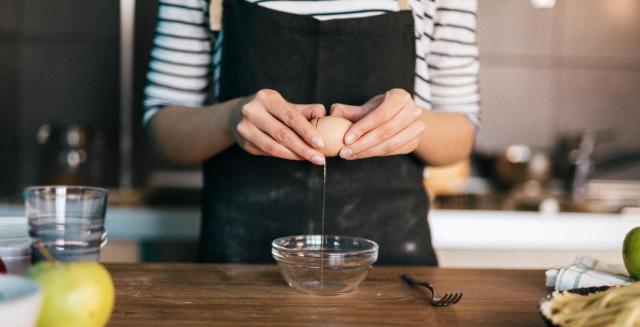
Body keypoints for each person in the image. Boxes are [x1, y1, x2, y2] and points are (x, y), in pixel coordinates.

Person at [144, 0, 480, 265]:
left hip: (390, 266)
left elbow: (461, 132)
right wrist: (230, 119)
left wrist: (412, 124)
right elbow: (161, 130)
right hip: (238, 265)